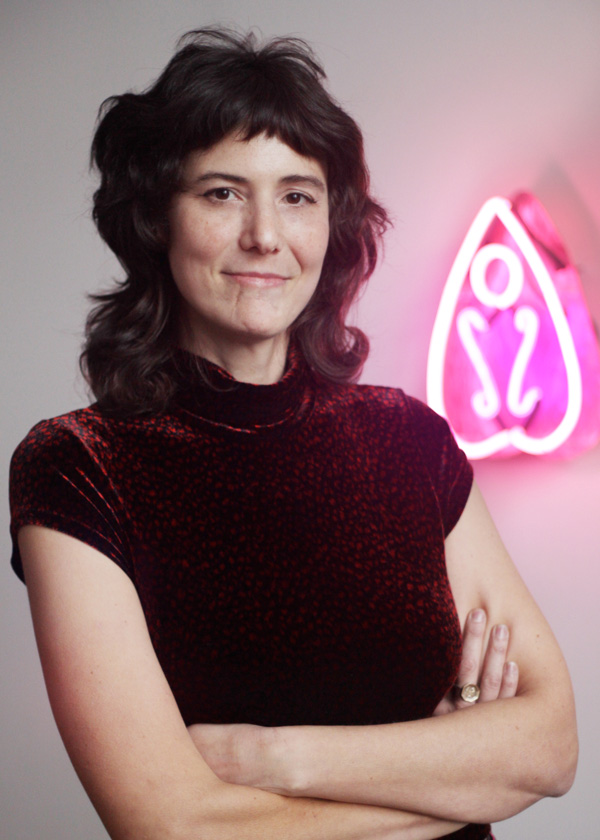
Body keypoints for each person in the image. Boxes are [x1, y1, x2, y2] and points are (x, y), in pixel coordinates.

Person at [9, 28, 576, 840]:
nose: (265, 237)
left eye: (298, 195)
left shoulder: (409, 438)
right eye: (222, 193)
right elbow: (173, 828)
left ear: (333, 224)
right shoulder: (77, 467)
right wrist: (453, 778)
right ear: (156, 219)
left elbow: (551, 748)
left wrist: (272, 760)